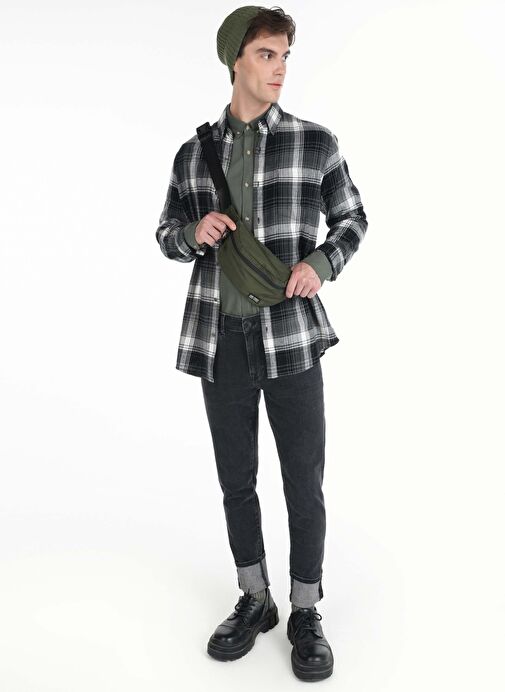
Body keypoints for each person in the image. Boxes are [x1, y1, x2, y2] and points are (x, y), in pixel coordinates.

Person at [155, 5, 368, 682]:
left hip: (292, 340)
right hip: (220, 339)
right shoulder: (193, 154)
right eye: (266, 55)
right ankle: (255, 599)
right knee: (235, 481)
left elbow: (353, 218)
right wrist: (192, 234)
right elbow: (165, 235)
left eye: (284, 56)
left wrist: (322, 263)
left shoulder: (314, 143)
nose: (279, 69)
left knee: (303, 480)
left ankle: (305, 610)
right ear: (235, 61)